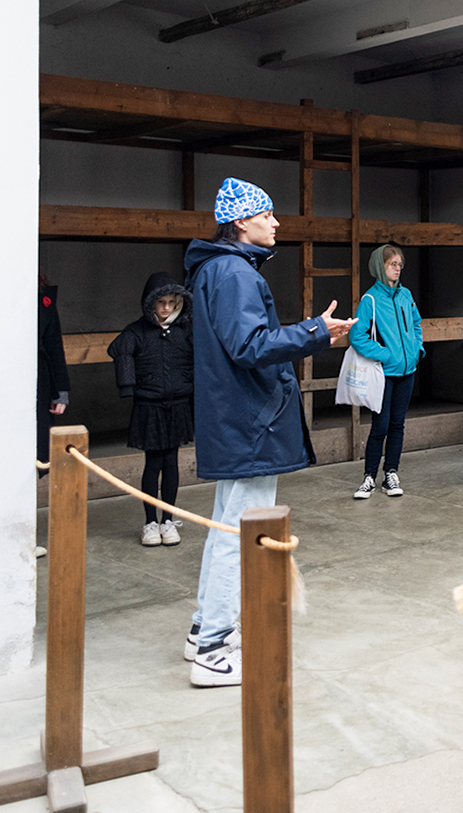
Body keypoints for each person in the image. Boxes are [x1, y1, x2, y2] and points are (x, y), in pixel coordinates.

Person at [183, 177, 353, 687]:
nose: (276, 223)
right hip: (249, 422)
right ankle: (213, 649)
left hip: (238, 421)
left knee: (227, 527)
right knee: (241, 533)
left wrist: (309, 331)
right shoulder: (234, 274)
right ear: (241, 222)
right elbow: (251, 346)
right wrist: (314, 332)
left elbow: (247, 339)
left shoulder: (220, 269)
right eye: (267, 214)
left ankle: (203, 629)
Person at [107, 272, 194, 547]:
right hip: (149, 407)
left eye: (171, 302)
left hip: (178, 404)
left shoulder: (186, 331)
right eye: (161, 303)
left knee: (171, 463)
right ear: (150, 304)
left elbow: (204, 355)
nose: (166, 307)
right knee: (152, 464)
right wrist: (128, 386)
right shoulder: (136, 332)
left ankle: (168, 521)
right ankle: (150, 523)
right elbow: (118, 350)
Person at [350, 243, 425, 500]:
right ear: (380, 267)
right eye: (393, 264)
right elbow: (357, 335)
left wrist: (417, 349)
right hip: (384, 374)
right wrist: (384, 355)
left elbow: (416, 324)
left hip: (407, 371)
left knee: (397, 425)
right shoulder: (370, 299)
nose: (397, 269)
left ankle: (391, 473)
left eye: (399, 265)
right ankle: (369, 477)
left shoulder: (406, 295)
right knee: (379, 425)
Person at [37, 274, 70, 469]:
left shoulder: (44, 298)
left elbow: (54, 344)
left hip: (40, 380)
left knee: (39, 448)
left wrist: (61, 392)